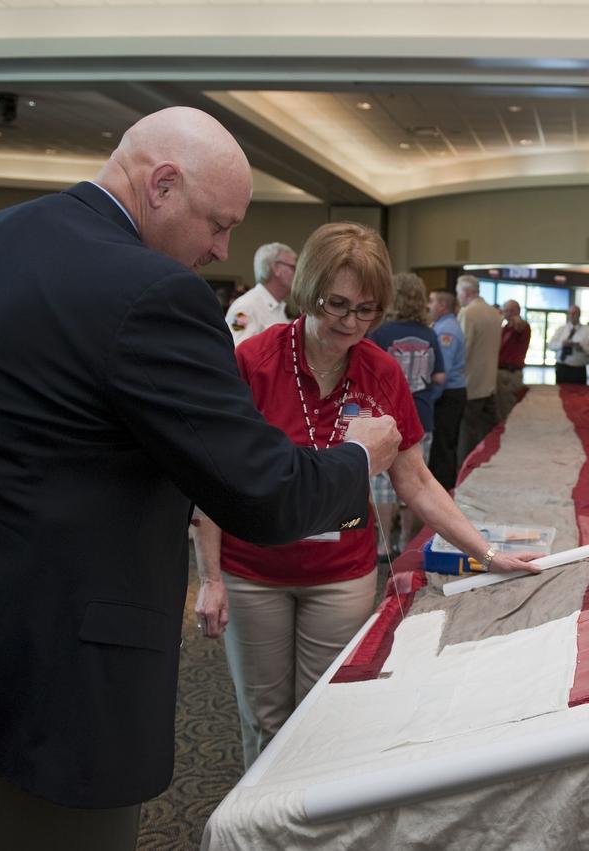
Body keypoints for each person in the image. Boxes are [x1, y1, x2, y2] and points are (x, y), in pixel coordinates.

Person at [0, 107, 401, 850]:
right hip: (47, 689)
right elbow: (264, 492)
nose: (221, 249)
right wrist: (359, 456)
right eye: (217, 223)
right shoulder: (147, 292)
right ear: (161, 185)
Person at [192, 224, 539, 768]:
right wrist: (210, 578)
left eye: (367, 311)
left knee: (322, 716)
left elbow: (418, 482)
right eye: (337, 306)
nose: (351, 325)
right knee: (263, 717)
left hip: (340, 574)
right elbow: (212, 479)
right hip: (254, 571)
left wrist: (488, 552)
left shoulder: (381, 372)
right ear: (306, 291)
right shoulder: (253, 363)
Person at [369, 272, 446, 557]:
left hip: (385, 419)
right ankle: (405, 541)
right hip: (421, 416)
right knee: (414, 480)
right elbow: (439, 376)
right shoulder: (430, 334)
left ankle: (383, 543)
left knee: (381, 484)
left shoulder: (380, 333)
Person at [455, 275, 502, 466]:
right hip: (489, 381)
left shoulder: (468, 313)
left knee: (467, 432)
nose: (458, 298)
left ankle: (465, 469)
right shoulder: (493, 313)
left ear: (465, 293)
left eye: (458, 293)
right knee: (487, 430)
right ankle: (488, 464)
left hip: (470, 382)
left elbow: (463, 350)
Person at [427, 288, 466, 491]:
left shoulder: (446, 330)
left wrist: (430, 399)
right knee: (445, 445)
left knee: (442, 446)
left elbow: (443, 370)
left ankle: (442, 491)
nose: (428, 305)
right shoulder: (444, 326)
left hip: (447, 395)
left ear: (442, 306)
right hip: (451, 393)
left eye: (432, 301)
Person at [228, 241, 297, 345]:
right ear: (276, 268)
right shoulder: (246, 307)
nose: (297, 274)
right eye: (293, 267)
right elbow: (237, 353)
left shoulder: (278, 307)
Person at [495, 298, 531, 420]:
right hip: (499, 372)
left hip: (510, 373)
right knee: (499, 408)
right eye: (505, 311)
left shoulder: (522, 327)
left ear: (518, 312)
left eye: (511, 311)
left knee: (508, 408)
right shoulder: (504, 328)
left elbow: (520, 325)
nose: (508, 313)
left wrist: (517, 319)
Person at [547, 304, 589, 385]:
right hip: (562, 368)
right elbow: (550, 345)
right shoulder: (561, 329)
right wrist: (562, 344)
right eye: (570, 313)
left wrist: (582, 348)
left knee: (579, 394)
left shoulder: (588, 331)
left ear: (579, 314)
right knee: (560, 393)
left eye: (574, 313)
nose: (572, 315)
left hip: (578, 370)